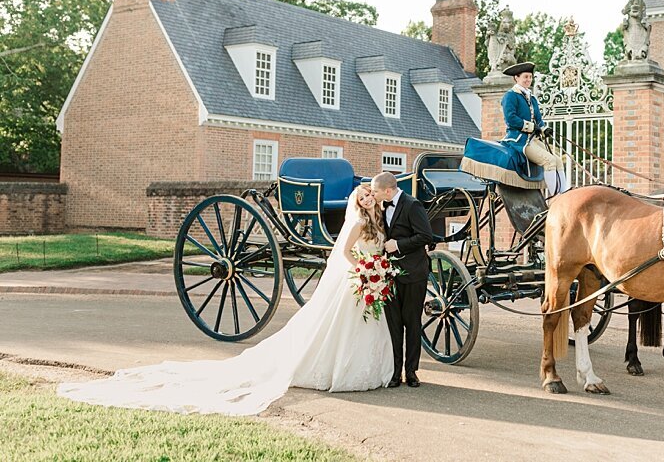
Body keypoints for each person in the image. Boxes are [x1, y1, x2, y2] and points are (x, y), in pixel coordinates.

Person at [57, 185, 393, 415]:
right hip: (357, 273)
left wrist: (373, 267)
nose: (366, 199)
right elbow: (348, 251)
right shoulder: (358, 222)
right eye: (363, 195)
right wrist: (365, 269)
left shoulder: (375, 219)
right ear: (358, 200)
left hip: (362, 278)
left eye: (369, 196)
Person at [370, 171, 434, 388]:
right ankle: (395, 372)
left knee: (412, 323)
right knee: (394, 325)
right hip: (388, 275)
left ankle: (412, 372)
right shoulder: (378, 207)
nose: (373, 194)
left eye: (376, 191)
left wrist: (398, 245)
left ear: (388, 190)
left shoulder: (412, 205)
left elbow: (425, 236)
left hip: (414, 273)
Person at [501, 62, 569, 196]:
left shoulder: (531, 98)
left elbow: (538, 119)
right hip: (518, 140)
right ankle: (554, 197)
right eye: (525, 77)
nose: (528, 80)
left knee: (558, 161)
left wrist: (544, 128)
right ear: (516, 78)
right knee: (549, 161)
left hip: (532, 139)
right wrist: (532, 127)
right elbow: (511, 119)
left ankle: (564, 194)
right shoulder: (510, 96)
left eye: (530, 77)